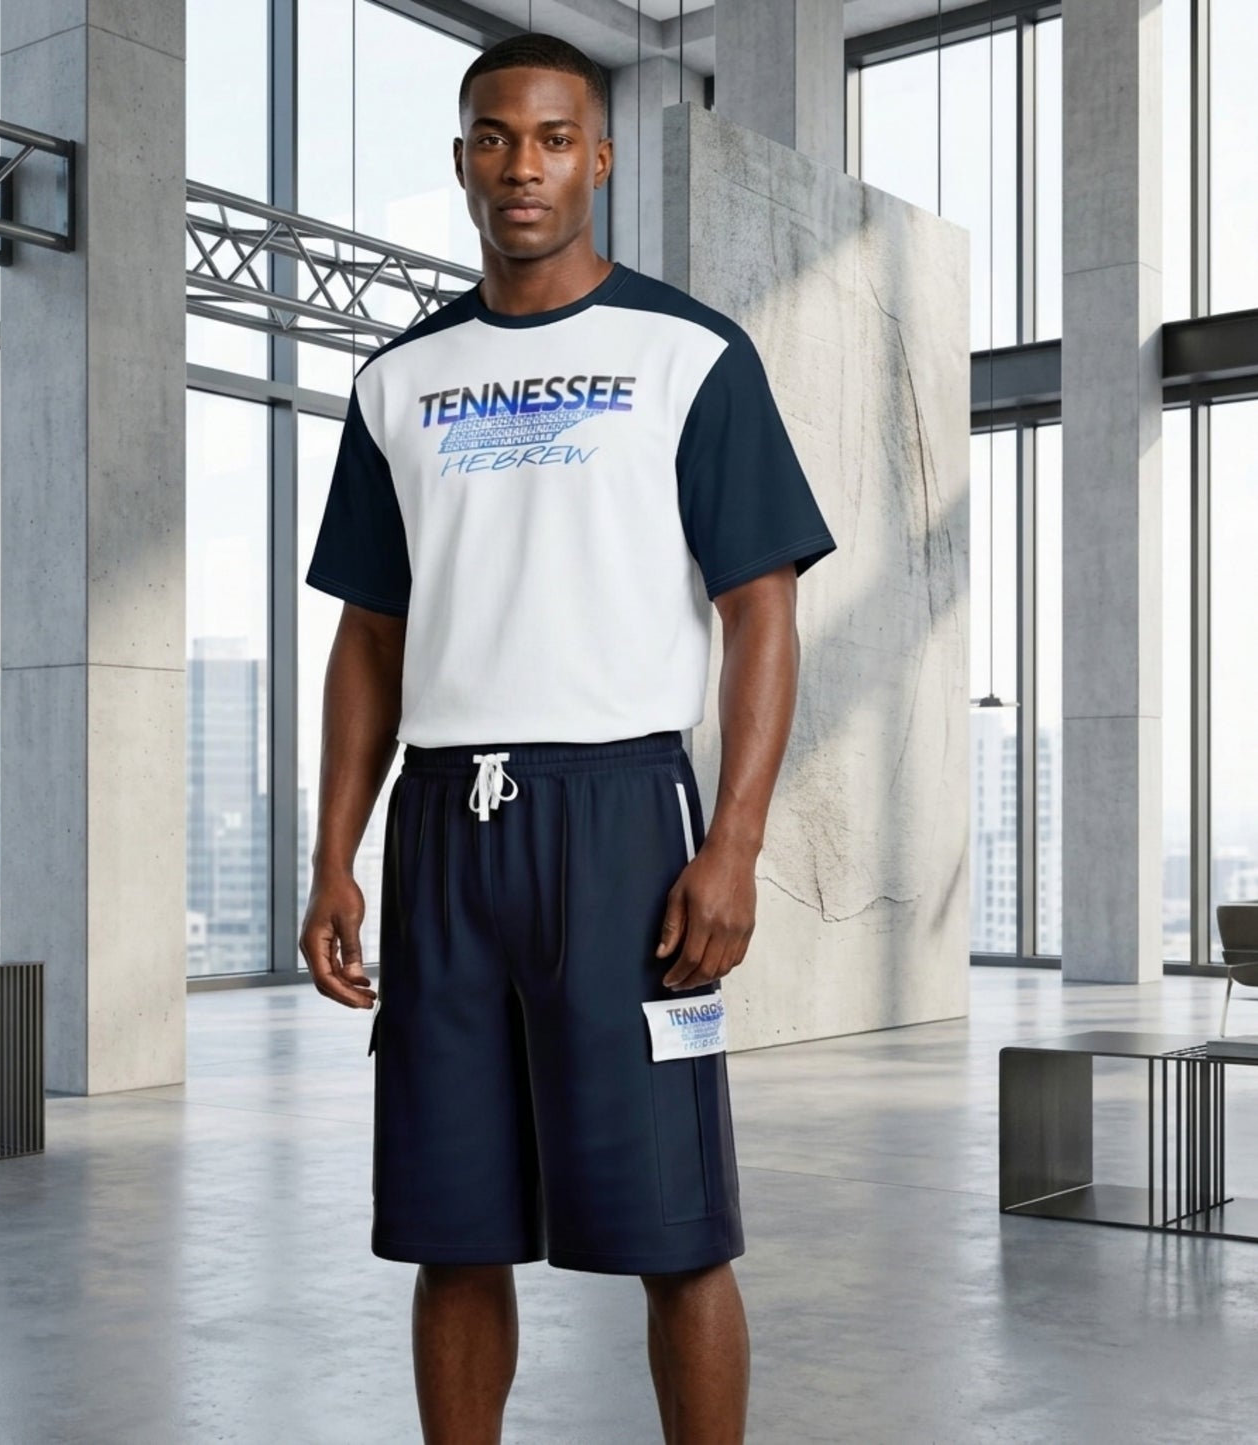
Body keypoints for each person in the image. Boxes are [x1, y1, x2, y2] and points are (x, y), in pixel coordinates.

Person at [300, 31, 837, 1445]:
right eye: (493, 137)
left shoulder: (686, 353)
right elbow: (369, 634)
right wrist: (333, 857)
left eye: (550, 138)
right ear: (462, 158)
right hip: (441, 829)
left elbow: (759, 610)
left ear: (597, 156)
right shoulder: (396, 382)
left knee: (676, 1225)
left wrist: (731, 839)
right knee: (450, 1225)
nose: (519, 165)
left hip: (621, 824)